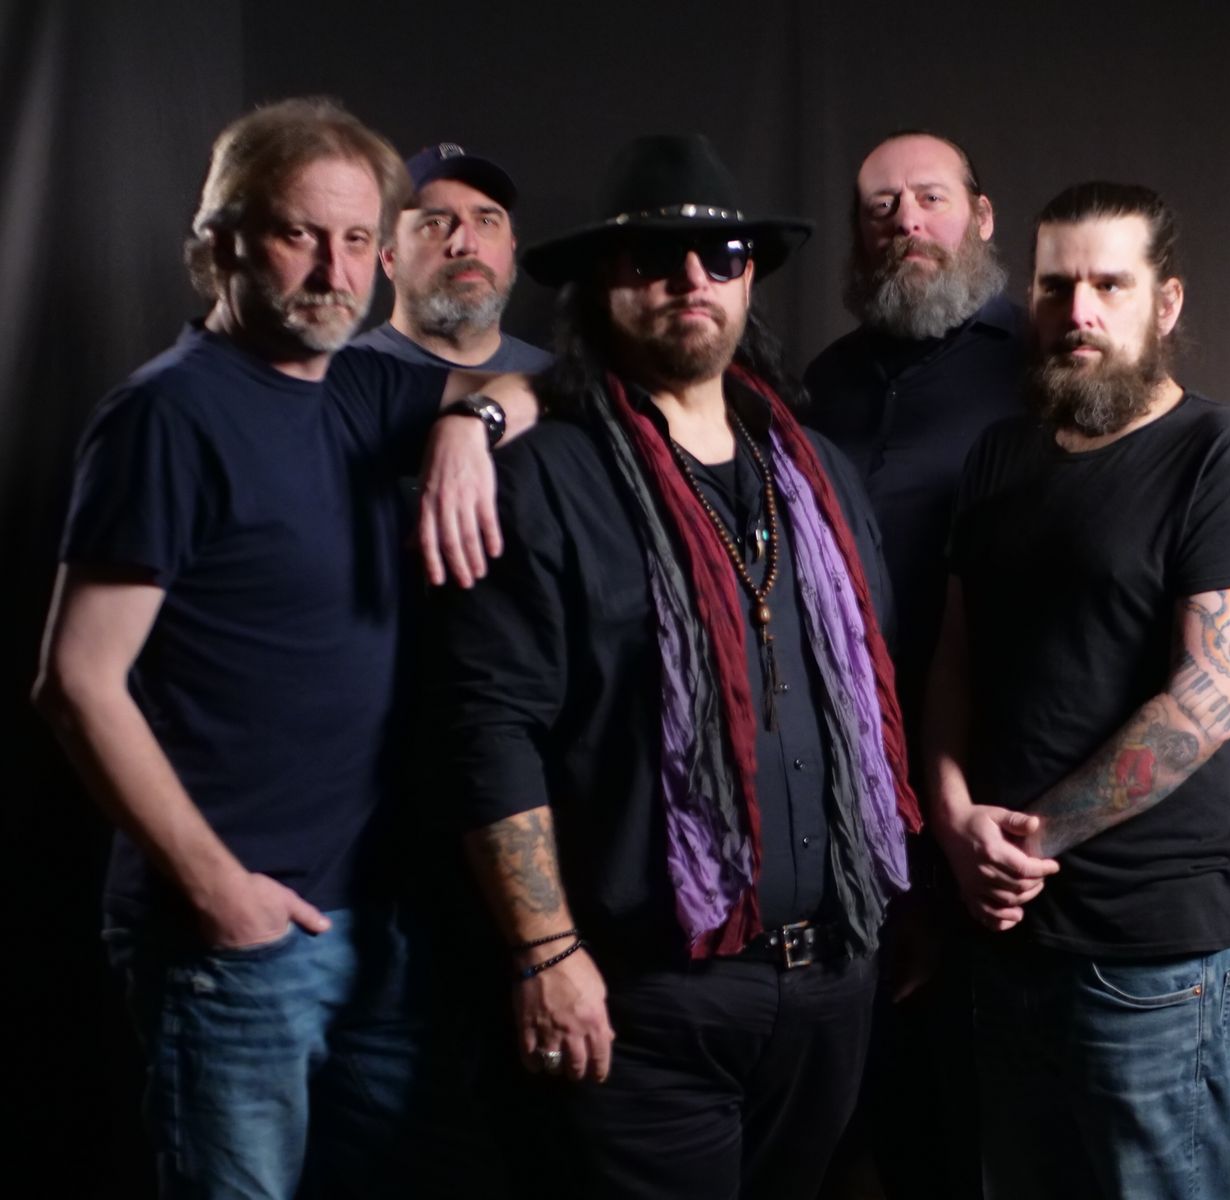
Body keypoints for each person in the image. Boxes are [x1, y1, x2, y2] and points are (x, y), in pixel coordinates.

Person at [31, 97, 535, 1199]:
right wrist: (221, 894)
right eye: (299, 234)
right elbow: (76, 682)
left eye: (357, 239)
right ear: (223, 242)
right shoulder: (167, 416)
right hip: (236, 941)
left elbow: (533, 384)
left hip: (378, 928)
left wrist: (471, 424)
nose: (333, 271)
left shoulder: (363, 385)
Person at [431, 133, 921, 1200]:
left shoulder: (819, 475)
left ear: (749, 280)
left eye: (722, 255)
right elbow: (487, 730)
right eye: (653, 257)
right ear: (601, 285)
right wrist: (545, 952)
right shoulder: (547, 479)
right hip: (646, 998)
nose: (691, 278)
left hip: (833, 978)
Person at [924, 181, 1230, 1199]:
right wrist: (954, 820)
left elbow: (1202, 706)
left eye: (1109, 285)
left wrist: (1026, 842)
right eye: (1056, 286)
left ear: (1165, 303)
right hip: (1006, 937)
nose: (1078, 311)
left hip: (1151, 964)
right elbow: (953, 657)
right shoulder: (998, 455)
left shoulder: (1224, 454)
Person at [803, 129, 1024, 1199]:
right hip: (849, 790)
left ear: (980, 217)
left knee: (979, 1122)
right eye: (880, 206)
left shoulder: (1044, 363)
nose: (904, 222)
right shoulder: (827, 380)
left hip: (990, 789)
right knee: (863, 1115)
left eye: (928, 198)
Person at [354, 142, 553, 372]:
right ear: (389, 256)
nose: (466, 244)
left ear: (512, 246)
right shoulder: (338, 380)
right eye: (435, 223)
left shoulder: (559, 382)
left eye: (486, 221)